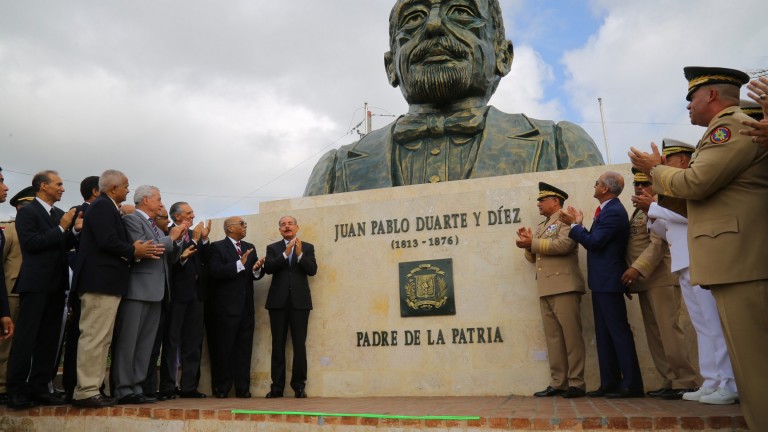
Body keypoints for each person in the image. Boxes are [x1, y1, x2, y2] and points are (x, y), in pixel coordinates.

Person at [304, 0, 603, 196]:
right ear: (390, 66)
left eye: (461, 12)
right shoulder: (335, 170)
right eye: (414, 17)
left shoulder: (562, 146)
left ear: (503, 56)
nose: (433, 26)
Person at [629, 66, 767, 430]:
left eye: (691, 97)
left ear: (710, 96)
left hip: (740, 259)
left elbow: (697, 181)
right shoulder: (719, 132)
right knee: (749, 366)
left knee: (755, 368)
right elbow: (695, 203)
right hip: (729, 260)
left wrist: (657, 170)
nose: (688, 104)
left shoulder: (730, 127)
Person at [633, 139, 738, 404]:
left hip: (699, 259)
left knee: (714, 325)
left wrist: (655, 208)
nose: (664, 165)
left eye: (668, 160)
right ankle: (712, 380)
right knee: (702, 326)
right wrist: (652, 215)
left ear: (683, 159)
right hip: (682, 262)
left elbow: (692, 215)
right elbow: (665, 230)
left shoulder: (688, 185)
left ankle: (730, 383)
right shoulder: (671, 188)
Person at [71, 170, 160, 408]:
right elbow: (107, 241)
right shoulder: (102, 206)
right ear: (113, 189)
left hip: (108, 284)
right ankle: (86, 391)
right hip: (99, 283)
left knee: (102, 340)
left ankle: (93, 388)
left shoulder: (108, 207)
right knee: (94, 338)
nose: (128, 191)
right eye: (126, 187)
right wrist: (134, 250)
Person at [559, 171, 644, 398]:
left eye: (596, 183)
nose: (594, 186)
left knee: (617, 333)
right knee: (604, 334)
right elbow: (597, 241)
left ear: (605, 189)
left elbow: (595, 243)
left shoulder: (614, 212)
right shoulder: (606, 211)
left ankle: (632, 384)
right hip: (601, 282)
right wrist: (579, 225)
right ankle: (610, 383)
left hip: (609, 282)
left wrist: (576, 227)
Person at [623, 168, 698, 400]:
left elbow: (657, 244)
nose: (639, 188)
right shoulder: (638, 211)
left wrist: (636, 268)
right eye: (636, 185)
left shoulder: (660, 208)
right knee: (655, 334)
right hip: (645, 280)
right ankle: (669, 380)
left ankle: (685, 380)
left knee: (669, 331)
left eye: (644, 184)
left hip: (661, 277)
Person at [7, 171, 76, 409]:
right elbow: (32, 244)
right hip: (35, 284)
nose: (62, 189)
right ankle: (15, 389)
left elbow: (66, 246)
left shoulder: (59, 214)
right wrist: (61, 229)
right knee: (26, 339)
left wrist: (74, 231)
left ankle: (40, 387)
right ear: (43, 186)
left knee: (48, 340)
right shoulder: (27, 212)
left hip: (57, 285)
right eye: (58, 184)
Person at [112, 186, 185, 405]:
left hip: (157, 292)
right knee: (129, 342)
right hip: (138, 290)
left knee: (145, 344)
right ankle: (123, 388)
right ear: (145, 200)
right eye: (158, 199)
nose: (161, 204)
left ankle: (137, 386)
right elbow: (145, 248)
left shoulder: (155, 226)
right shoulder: (132, 219)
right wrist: (171, 237)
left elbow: (167, 254)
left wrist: (176, 240)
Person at [515, 182, 586, 399]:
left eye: (542, 200)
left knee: (571, 338)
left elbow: (565, 245)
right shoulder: (541, 226)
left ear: (555, 201)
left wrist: (533, 243)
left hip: (564, 285)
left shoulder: (565, 220)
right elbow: (534, 257)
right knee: (553, 338)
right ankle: (559, 383)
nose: (538, 203)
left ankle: (576, 383)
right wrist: (527, 244)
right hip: (546, 287)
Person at [206, 216, 264, 398]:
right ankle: (222, 388)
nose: (245, 226)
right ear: (230, 228)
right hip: (225, 309)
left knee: (244, 350)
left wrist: (256, 269)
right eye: (241, 224)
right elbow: (214, 272)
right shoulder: (216, 247)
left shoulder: (249, 247)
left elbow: (252, 276)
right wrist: (239, 264)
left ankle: (242, 388)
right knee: (224, 349)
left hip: (246, 309)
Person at [159, 202, 211, 399]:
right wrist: (194, 244)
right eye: (189, 213)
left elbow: (206, 259)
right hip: (177, 296)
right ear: (177, 217)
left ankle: (189, 386)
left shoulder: (196, 234)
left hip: (196, 296)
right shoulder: (168, 233)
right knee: (172, 341)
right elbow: (172, 261)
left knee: (193, 342)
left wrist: (204, 240)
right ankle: (167, 386)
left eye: (193, 212)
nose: (193, 215)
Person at [263, 216, 318, 398]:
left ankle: (299, 387)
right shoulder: (273, 248)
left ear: (297, 227)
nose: (287, 227)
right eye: (283, 225)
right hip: (277, 303)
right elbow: (269, 268)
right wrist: (286, 253)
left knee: (299, 345)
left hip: (300, 303)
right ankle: (277, 387)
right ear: (279, 230)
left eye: (290, 224)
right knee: (277, 345)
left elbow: (312, 270)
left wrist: (300, 254)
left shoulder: (308, 247)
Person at [61, 175, 100, 402]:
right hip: (81, 281)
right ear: (96, 191)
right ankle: (71, 385)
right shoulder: (78, 211)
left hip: (99, 282)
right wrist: (76, 230)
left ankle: (91, 384)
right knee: (78, 335)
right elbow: (68, 245)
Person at [0, 186, 31, 405]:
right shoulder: (10, 229)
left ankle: (18, 385)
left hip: (32, 291)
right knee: (6, 343)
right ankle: (2, 385)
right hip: (11, 292)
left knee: (25, 343)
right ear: (19, 207)